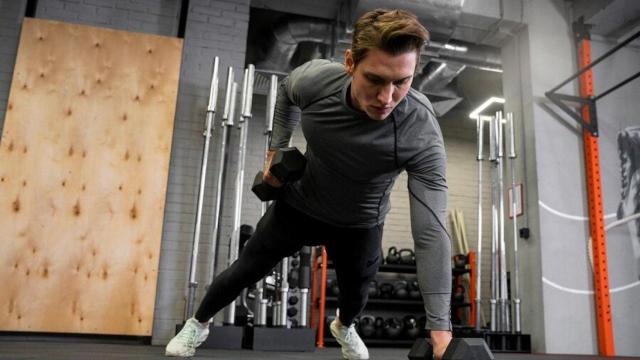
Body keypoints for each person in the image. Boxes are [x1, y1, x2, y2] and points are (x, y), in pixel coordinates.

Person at [166, 8, 452, 360]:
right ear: (350, 62)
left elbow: (431, 231)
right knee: (246, 267)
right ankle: (197, 324)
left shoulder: (419, 130)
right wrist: (276, 149)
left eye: (401, 82)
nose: (386, 97)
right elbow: (286, 91)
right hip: (300, 205)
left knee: (356, 295)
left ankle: (344, 327)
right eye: (375, 79)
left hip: (360, 223)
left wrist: (440, 328)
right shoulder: (318, 82)